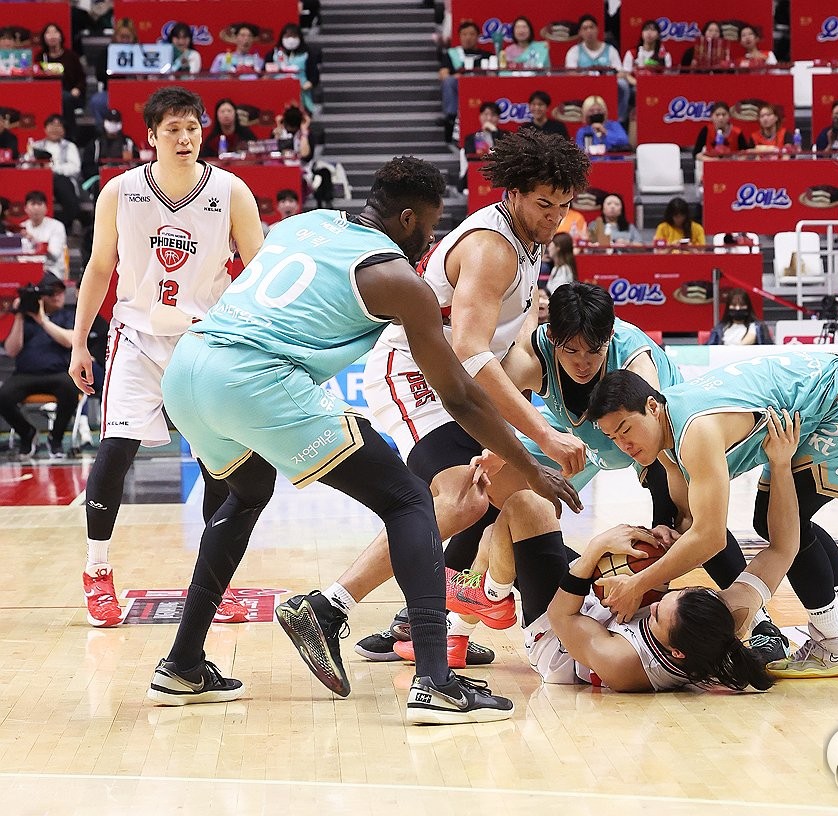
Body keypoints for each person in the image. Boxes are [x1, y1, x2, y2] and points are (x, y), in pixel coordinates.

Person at [149, 157, 575, 722]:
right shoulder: (400, 279)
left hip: (188, 370)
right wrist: (530, 459)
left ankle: (182, 663)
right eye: (428, 226)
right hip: (256, 379)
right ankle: (434, 681)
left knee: (245, 495)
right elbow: (461, 396)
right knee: (409, 501)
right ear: (407, 219)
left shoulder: (306, 222)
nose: (430, 240)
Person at [282, 129, 590, 678]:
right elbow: (470, 353)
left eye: (564, 207)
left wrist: (525, 412)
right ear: (513, 193)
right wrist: (540, 435)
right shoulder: (493, 248)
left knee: (512, 481)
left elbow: (504, 346)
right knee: (467, 496)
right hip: (416, 375)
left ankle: (457, 598)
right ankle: (331, 606)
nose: (554, 218)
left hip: (461, 383)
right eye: (544, 204)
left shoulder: (529, 241)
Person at [387, 282, 781, 667]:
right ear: (552, 337)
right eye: (571, 350)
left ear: (609, 337)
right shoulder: (532, 355)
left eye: (594, 352)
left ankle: (760, 625)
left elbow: (656, 443)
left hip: (657, 446)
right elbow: (488, 398)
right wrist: (499, 449)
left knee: (691, 524)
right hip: (577, 439)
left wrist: (666, 521)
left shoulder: (635, 361)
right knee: (491, 493)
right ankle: (453, 626)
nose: (583, 363)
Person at [67, 86, 265, 629]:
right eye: (172, 129)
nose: (185, 137)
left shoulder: (230, 191)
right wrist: (81, 338)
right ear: (150, 137)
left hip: (205, 342)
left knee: (216, 461)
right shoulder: (119, 191)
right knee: (115, 451)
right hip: (136, 336)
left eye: (192, 127)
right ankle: (97, 570)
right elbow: (99, 268)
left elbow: (262, 270)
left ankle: (213, 584)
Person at [438, 406, 805, 692]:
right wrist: (781, 464)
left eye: (657, 612)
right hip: (602, 614)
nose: (657, 600)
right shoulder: (723, 620)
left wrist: (596, 549)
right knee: (500, 539)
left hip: (559, 638)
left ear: (674, 652)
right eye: (675, 594)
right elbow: (783, 549)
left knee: (525, 506)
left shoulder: (625, 664)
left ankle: (489, 594)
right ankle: (475, 607)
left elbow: (564, 616)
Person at [586, 354, 838, 677]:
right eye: (613, 438)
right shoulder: (666, 439)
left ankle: (836, 641)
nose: (623, 444)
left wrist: (639, 583)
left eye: (626, 429)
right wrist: (670, 538)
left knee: (779, 521)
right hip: (827, 388)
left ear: (652, 407)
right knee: (775, 523)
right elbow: (692, 524)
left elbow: (710, 538)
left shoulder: (695, 432)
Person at [0, 276, 77, 460]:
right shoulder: (25, 320)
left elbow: (69, 341)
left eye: (61, 292)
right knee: (3, 396)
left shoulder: (67, 315)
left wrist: (43, 320)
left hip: (57, 374)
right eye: (52, 293)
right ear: (41, 297)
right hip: (26, 375)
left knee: (70, 389)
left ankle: (55, 438)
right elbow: (11, 350)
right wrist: (19, 315)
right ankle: (27, 433)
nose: (58, 296)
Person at [25, 114, 82, 234]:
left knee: (63, 186)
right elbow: (25, 166)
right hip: (38, 178)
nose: (55, 129)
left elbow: (75, 168)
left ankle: (68, 224)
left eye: (59, 126)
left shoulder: (69, 146)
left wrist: (53, 168)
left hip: (61, 179)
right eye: (51, 125)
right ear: (45, 129)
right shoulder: (36, 145)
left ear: (64, 130)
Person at [565, 15, 627, 121]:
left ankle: (619, 119)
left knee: (623, 84)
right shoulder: (574, 51)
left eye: (591, 27)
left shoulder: (610, 49)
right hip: (583, 85)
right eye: (585, 28)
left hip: (607, 85)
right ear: (580, 32)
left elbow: (620, 73)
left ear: (597, 29)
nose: (589, 31)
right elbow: (570, 74)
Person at [439, 21, 492, 141]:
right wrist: (457, 77)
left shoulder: (488, 56)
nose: (468, 37)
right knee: (449, 81)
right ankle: (451, 117)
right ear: (459, 36)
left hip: (481, 89)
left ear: (478, 36)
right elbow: (443, 74)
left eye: (471, 34)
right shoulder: (452, 54)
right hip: (459, 90)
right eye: (464, 34)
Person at [36, 23, 85, 136]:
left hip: (70, 94)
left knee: (64, 98)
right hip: (46, 93)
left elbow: (82, 78)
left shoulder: (71, 56)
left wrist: (77, 89)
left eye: (55, 32)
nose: (52, 36)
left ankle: (70, 135)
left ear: (61, 36)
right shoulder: (40, 57)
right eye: (48, 33)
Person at [82, 109, 135, 190]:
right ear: (105, 122)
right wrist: (102, 170)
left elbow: (136, 164)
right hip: (100, 178)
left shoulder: (128, 142)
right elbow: (87, 167)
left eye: (116, 122)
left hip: (124, 177)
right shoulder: (96, 143)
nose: (113, 124)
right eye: (110, 121)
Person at [19, 191, 67, 280]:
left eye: (40, 204)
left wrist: (33, 240)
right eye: (33, 204)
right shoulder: (21, 228)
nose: (36, 208)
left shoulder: (56, 226)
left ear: (46, 208)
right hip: (26, 270)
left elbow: (54, 255)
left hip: (51, 270)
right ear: (25, 208)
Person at [271, 23, 319, 113]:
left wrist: (304, 87)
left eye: (294, 36)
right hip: (277, 93)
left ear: (299, 37)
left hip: (302, 94)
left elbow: (314, 76)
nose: (290, 39)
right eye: (287, 36)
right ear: (282, 37)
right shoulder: (274, 53)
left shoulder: (307, 53)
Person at [708, 288, 773, 345]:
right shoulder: (719, 329)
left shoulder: (758, 327)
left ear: (748, 306)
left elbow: (769, 349)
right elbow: (708, 349)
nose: (738, 308)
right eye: (734, 305)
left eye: (742, 305)